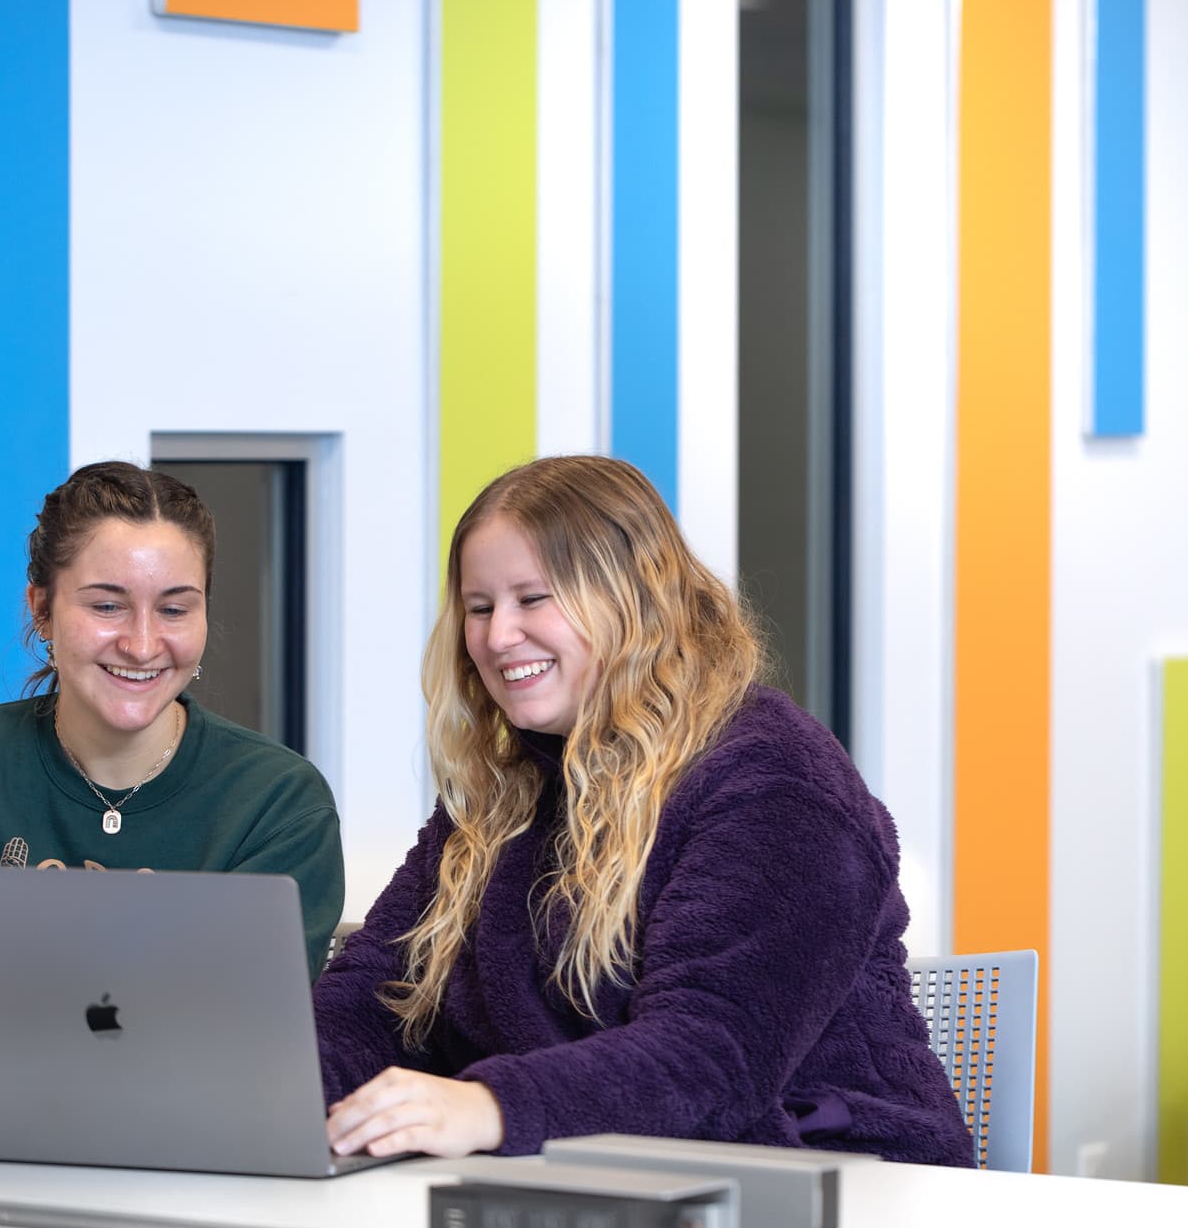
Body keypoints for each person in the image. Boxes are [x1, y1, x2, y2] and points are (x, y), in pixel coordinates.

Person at [314, 456, 973, 1167]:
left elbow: (711, 1055)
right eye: (479, 607)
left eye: (534, 598)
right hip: (587, 1183)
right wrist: (276, 1087)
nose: (499, 635)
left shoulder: (778, 780)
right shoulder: (506, 791)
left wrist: (490, 1105)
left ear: (636, 601)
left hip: (835, 1189)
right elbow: (378, 993)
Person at [0, 461, 347, 1120]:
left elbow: (250, 1040)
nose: (142, 644)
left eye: (174, 608)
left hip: (186, 1178)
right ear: (42, 609)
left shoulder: (279, 804)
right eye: (106, 605)